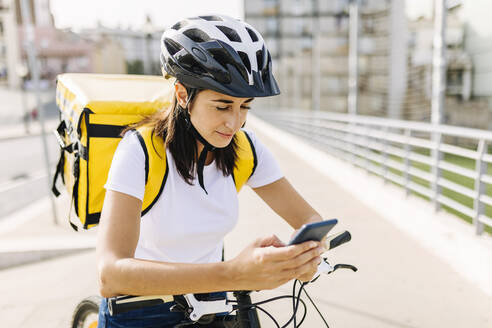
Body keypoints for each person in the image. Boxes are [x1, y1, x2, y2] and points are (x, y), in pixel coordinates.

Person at [96, 14, 325, 327]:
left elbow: (310, 220)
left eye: (245, 107)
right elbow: (110, 274)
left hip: (211, 302)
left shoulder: (246, 148)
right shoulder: (139, 151)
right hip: (140, 309)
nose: (235, 123)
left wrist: (304, 256)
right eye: (222, 106)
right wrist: (234, 272)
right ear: (181, 95)